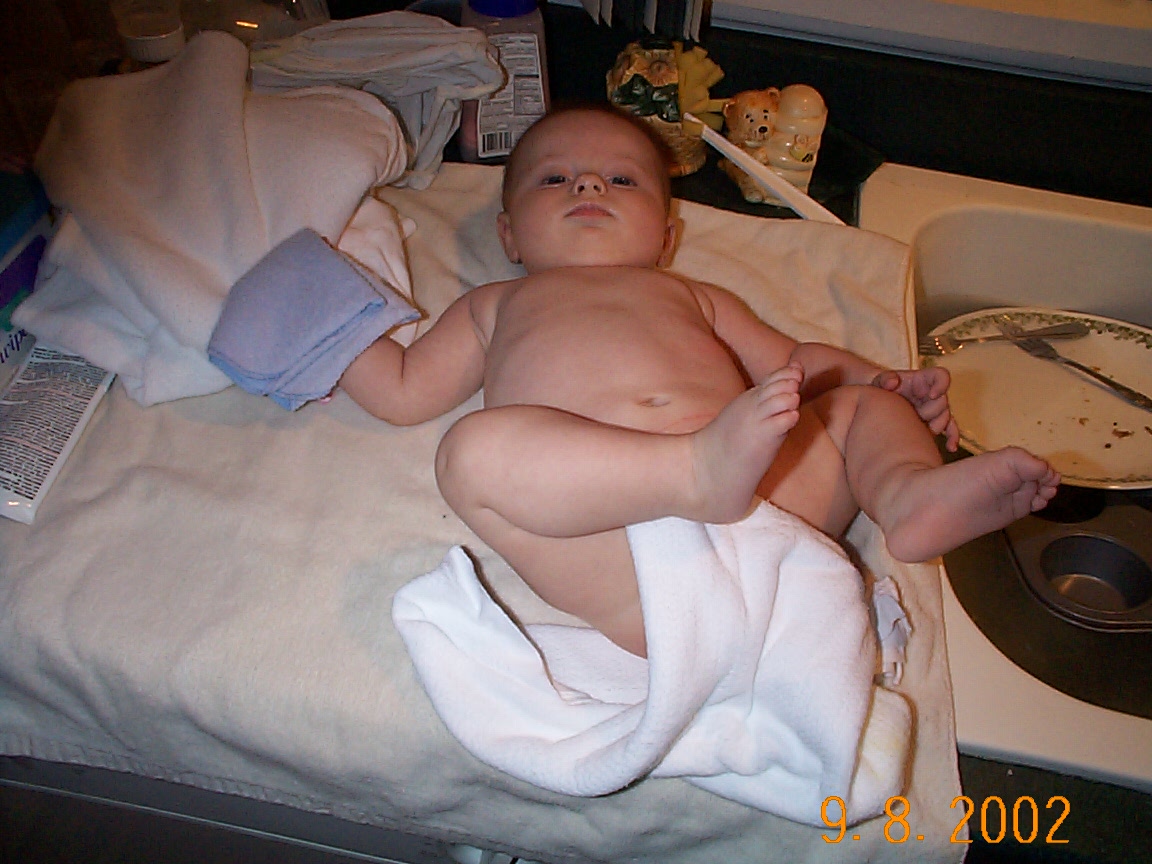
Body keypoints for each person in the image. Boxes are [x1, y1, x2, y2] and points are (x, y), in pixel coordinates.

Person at [339, 104, 1059, 657]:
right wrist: (327, 323)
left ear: (665, 237)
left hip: (765, 505)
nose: (588, 183)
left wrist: (888, 384)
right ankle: (689, 470)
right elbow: (404, 389)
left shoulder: (693, 296)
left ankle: (905, 496)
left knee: (856, 408)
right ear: (508, 237)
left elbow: (795, 364)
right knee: (472, 454)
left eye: (623, 179)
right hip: (612, 549)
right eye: (554, 178)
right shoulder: (495, 304)